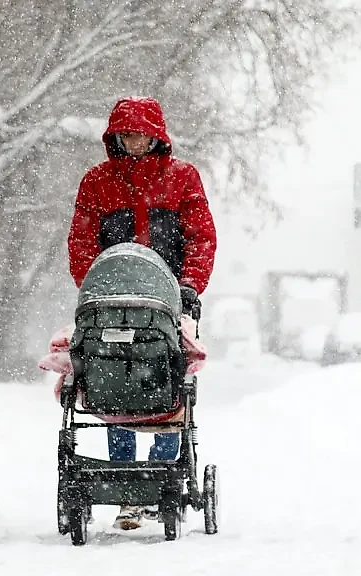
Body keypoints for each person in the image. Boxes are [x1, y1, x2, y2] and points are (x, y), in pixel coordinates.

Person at [67, 96, 217, 530]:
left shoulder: (182, 179)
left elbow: (200, 236)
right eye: (124, 133)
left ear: (156, 136)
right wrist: (94, 286)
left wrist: (189, 284)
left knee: (169, 377)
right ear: (114, 136)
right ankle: (126, 482)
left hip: (167, 303)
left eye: (139, 132)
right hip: (112, 304)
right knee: (113, 379)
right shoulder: (97, 183)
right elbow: (82, 242)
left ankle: (160, 473)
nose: (132, 140)